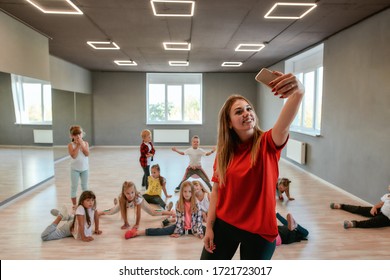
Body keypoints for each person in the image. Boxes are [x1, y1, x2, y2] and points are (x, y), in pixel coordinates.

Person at [201, 70, 305, 260]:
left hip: (259, 232)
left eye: (249, 109)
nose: (247, 113)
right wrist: (209, 226)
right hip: (225, 224)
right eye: (239, 111)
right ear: (229, 123)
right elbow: (216, 191)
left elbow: (284, 123)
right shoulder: (224, 153)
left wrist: (298, 91)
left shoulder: (268, 143)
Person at [124, 180, 204, 239]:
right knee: (161, 231)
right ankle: (138, 233)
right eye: (185, 191)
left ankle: (168, 221)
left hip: (195, 227)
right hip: (181, 227)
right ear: (182, 192)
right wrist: (178, 232)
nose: (187, 194)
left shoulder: (197, 204)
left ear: (192, 192)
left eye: (189, 191)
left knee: (209, 230)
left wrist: (199, 232)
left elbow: (199, 220)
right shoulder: (179, 203)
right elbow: (179, 220)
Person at [99, 181, 174, 229]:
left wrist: (137, 224)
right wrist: (126, 223)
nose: (130, 195)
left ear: (135, 191)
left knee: (153, 212)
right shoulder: (122, 198)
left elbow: (138, 213)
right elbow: (123, 212)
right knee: (112, 211)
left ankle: (169, 212)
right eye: (127, 193)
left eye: (132, 192)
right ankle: (100, 212)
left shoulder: (138, 197)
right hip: (124, 203)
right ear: (124, 193)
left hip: (136, 202)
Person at [68, 125, 89, 209]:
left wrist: (82, 144)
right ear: (72, 136)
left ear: (82, 134)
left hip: (85, 169)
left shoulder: (86, 143)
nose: (78, 136)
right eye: (75, 135)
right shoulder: (70, 145)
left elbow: (87, 154)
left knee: (85, 186)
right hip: (74, 170)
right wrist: (77, 146)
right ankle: (74, 205)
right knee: (74, 187)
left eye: (79, 134)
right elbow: (74, 156)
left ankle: (86, 203)